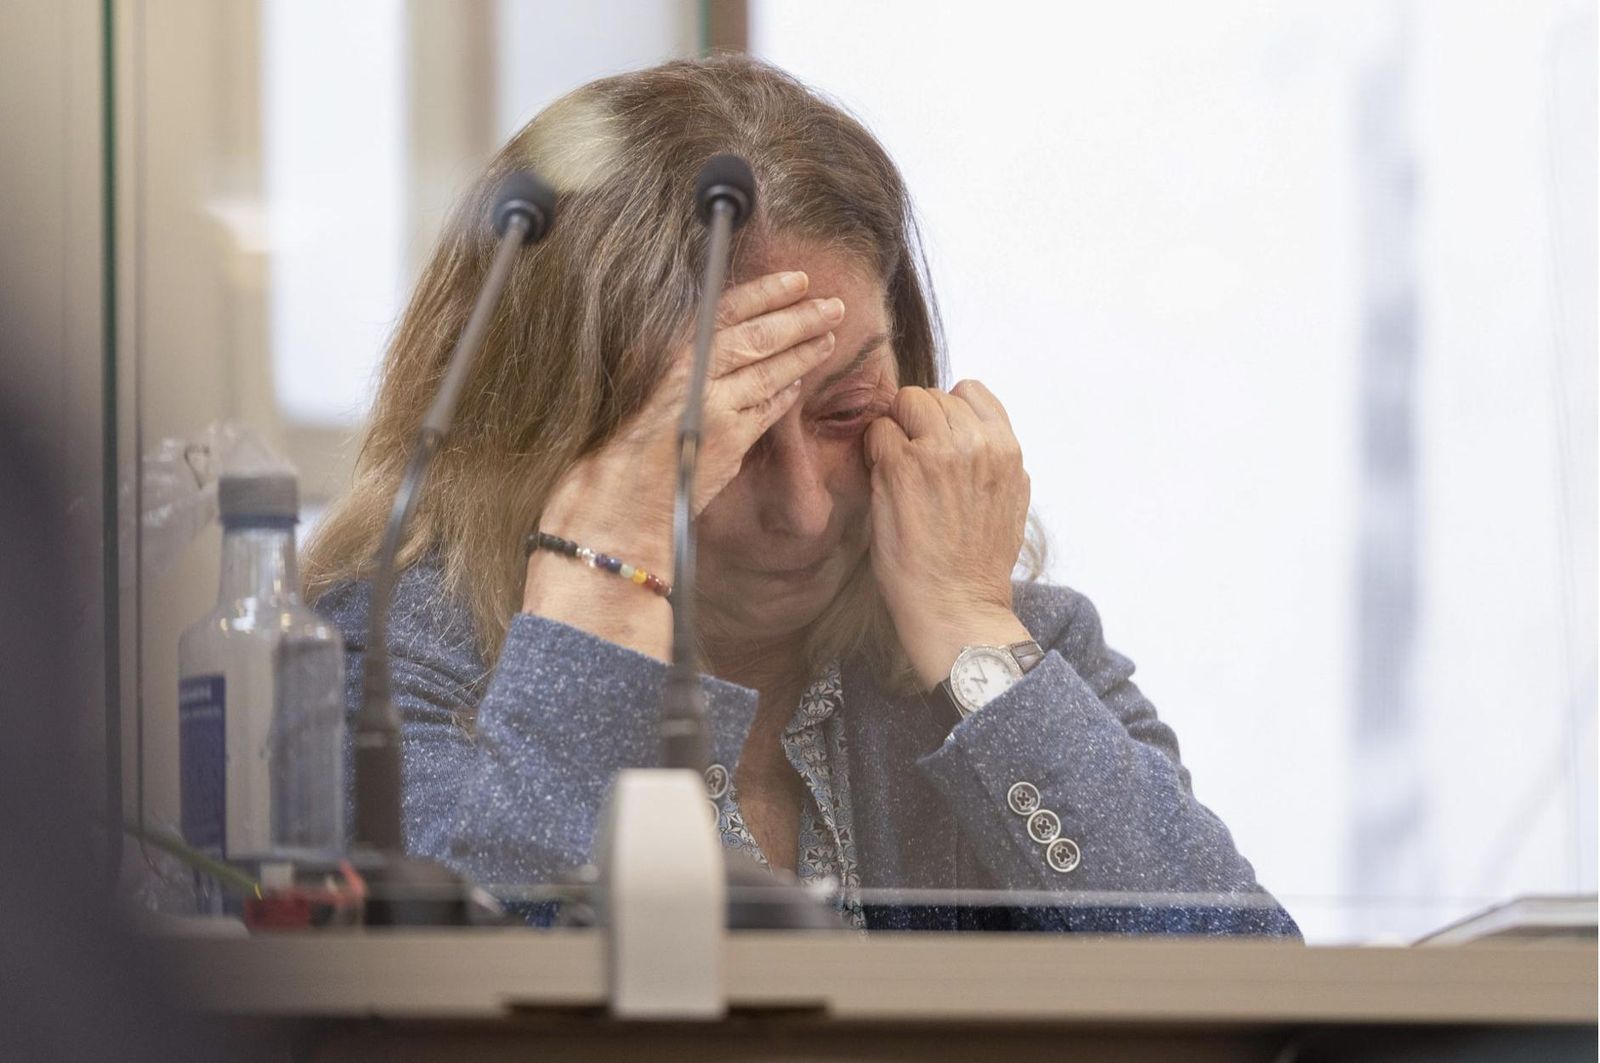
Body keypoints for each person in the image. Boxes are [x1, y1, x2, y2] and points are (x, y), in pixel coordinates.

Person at [305, 55, 1297, 935]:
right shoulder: (380, 657)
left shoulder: (1010, 651)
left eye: (845, 412)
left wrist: (968, 630)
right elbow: (472, 1008)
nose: (804, 509)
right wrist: (603, 585)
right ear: (551, 434)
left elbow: (1248, 991)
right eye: (717, 440)